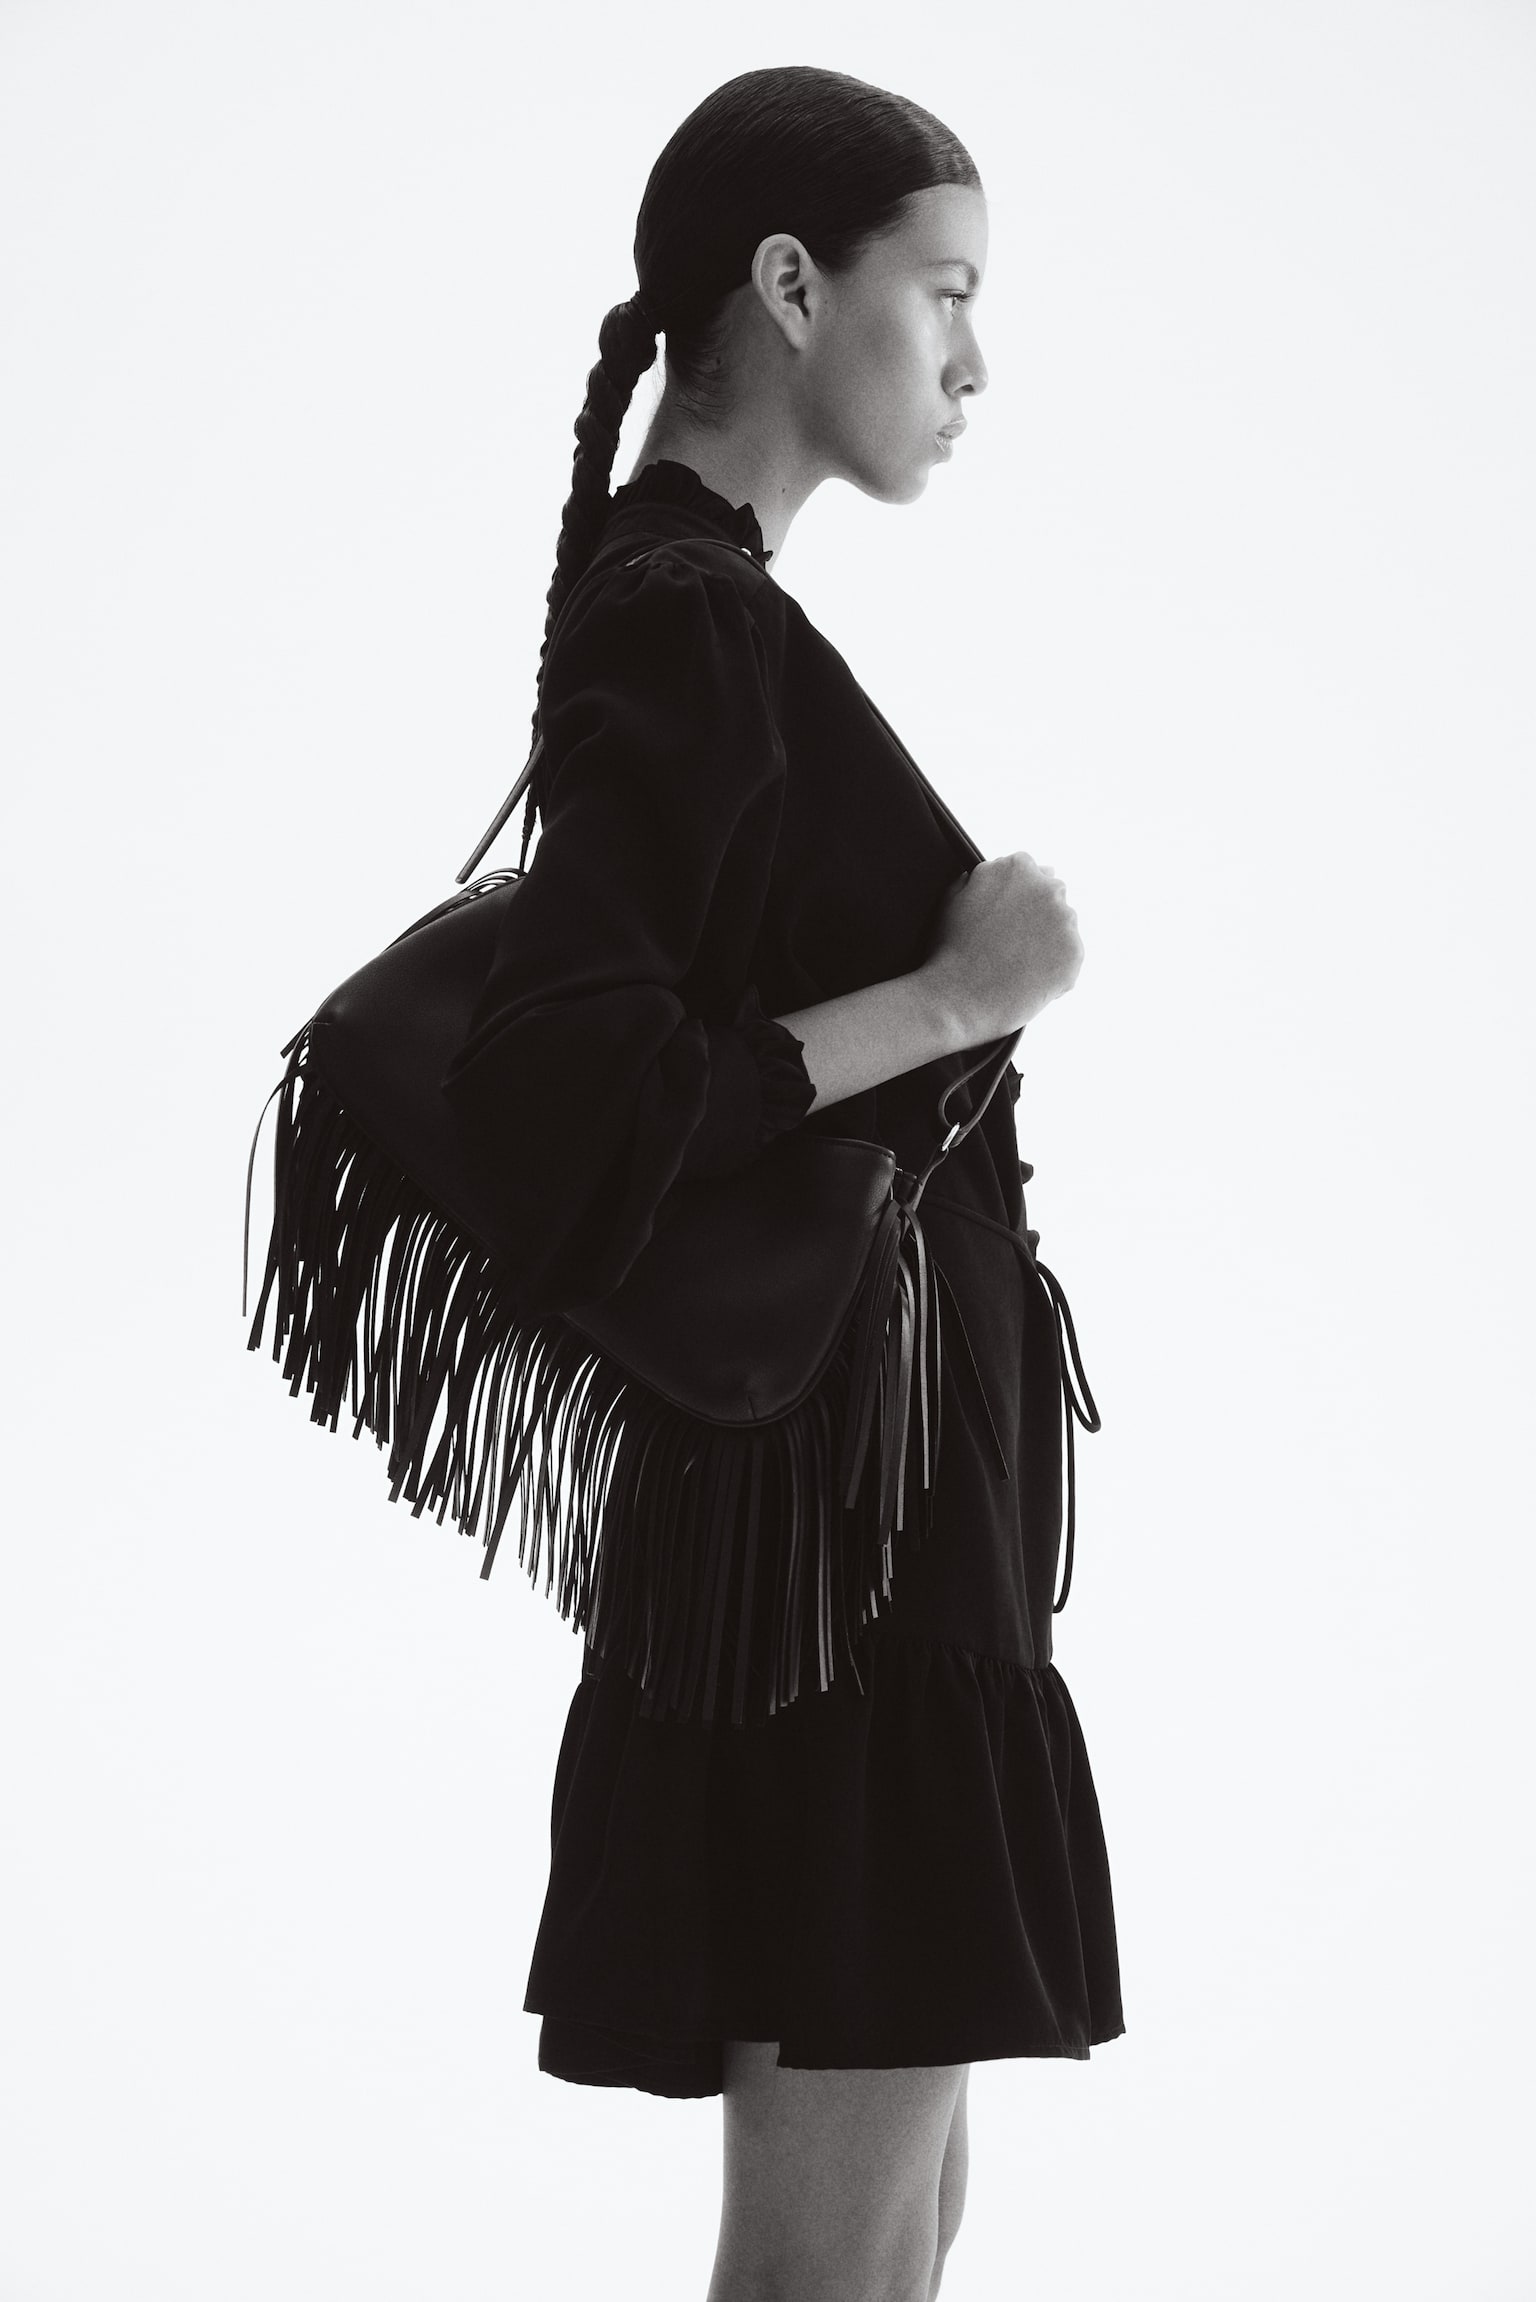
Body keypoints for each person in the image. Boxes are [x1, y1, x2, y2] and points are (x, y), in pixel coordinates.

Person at [442, 64, 1125, 2302]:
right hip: (842, 1565)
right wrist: (959, 994)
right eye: (949, 290)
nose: (974, 359)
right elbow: (579, 1107)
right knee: (840, 2266)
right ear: (793, 285)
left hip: (855, 1544)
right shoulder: (683, 611)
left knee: (890, 2234)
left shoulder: (685, 597)